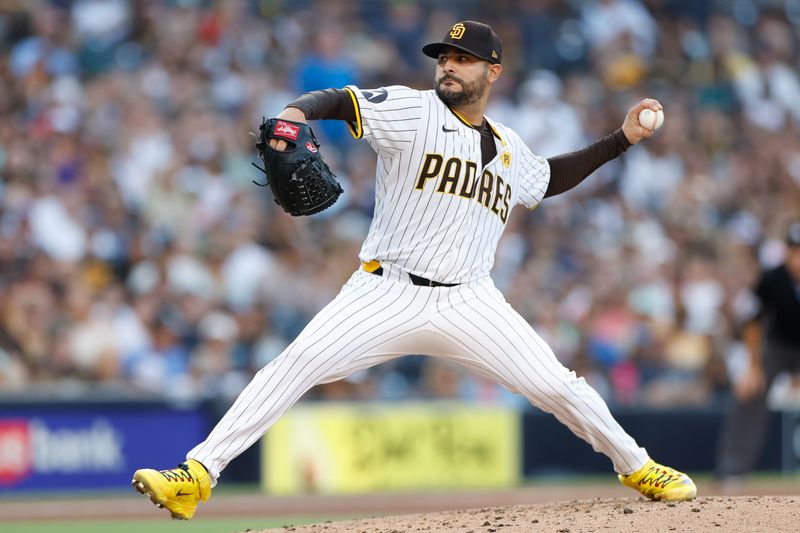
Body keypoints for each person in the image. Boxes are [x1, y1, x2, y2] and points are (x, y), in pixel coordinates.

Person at [131, 21, 696, 520]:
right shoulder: (411, 108)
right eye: (443, 58)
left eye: (462, 59)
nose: (447, 65)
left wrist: (622, 140)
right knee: (294, 363)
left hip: (470, 301)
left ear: (492, 71)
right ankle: (196, 474)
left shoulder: (508, 147)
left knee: (558, 386)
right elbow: (340, 99)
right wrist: (294, 115)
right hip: (385, 291)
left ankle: (639, 466)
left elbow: (549, 179)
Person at [716, 220, 800, 482]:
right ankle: (733, 469)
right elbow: (753, 321)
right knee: (750, 393)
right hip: (778, 346)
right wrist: (752, 367)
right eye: (795, 251)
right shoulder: (772, 278)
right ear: (785, 252)